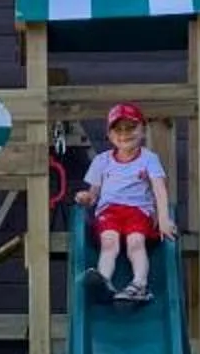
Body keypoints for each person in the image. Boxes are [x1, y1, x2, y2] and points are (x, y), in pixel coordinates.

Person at [74, 101, 175, 302]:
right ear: (110, 135)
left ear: (143, 130)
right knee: (109, 242)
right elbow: (94, 194)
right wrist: (86, 197)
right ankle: (103, 280)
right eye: (118, 130)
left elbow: (159, 189)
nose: (124, 134)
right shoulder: (102, 160)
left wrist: (163, 219)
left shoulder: (148, 159)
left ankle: (139, 284)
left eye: (131, 128)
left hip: (138, 211)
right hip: (109, 211)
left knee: (135, 243)